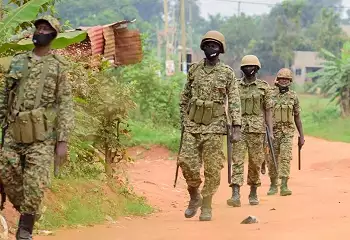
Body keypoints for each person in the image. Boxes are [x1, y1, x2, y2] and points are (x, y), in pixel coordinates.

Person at [0, 16, 74, 239]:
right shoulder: (18, 61)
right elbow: (5, 95)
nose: (40, 31)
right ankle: (30, 210)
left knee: (34, 182)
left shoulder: (58, 68)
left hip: (42, 136)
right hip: (13, 130)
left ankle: (25, 229)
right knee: (6, 172)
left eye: (45, 29)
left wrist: (63, 140)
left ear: (53, 35)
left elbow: (65, 104)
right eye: (38, 27)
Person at [179, 30, 241, 221]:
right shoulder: (194, 70)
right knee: (186, 161)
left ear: (220, 49)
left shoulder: (227, 73)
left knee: (213, 168)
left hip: (215, 126)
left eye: (214, 45)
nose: (210, 48)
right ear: (203, 47)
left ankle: (206, 205)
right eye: (207, 45)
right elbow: (185, 95)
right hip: (193, 124)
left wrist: (236, 126)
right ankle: (194, 196)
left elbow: (235, 100)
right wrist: (183, 117)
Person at [227, 55, 273, 207]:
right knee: (237, 160)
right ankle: (235, 193)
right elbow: (231, 106)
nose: (249, 69)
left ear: (257, 68)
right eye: (246, 67)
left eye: (252, 66)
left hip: (257, 130)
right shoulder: (235, 86)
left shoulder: (264, 87)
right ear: (242, 69)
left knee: (255, 161)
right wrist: (231, 125)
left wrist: (270, 131)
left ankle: (253, 192)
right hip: (239, 128)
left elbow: (268, 110)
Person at [266, 68, 305, 196]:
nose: (284, 81)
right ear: (277, 80)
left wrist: (301, 135)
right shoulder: (269, 94)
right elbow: (264, 114)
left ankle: (284, 185)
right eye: (282, 79)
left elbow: (297, 117)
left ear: (290, 81)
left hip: (287, 133)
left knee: (285, 157)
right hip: (273, 133)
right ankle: (273, 184)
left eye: (286, 79)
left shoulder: (293, 96)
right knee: (272, 159)